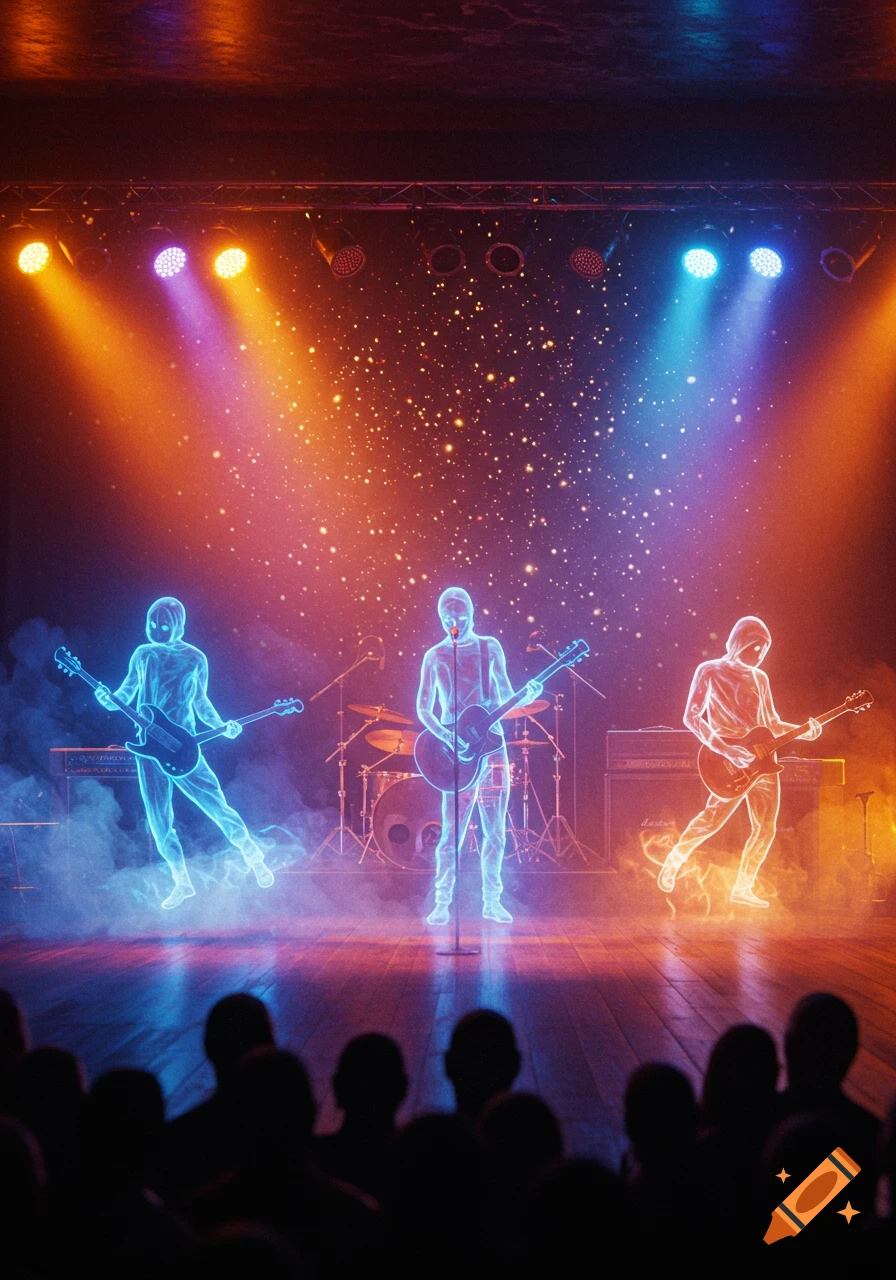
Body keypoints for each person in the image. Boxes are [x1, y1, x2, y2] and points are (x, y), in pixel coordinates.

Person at [94, 597, 274, 909]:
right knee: (160, 821)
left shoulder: (194, 658)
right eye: (152, 624)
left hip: (185, 747)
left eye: (164, 625)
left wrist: (221, 726)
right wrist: (106, 699)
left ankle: (253, 857)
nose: (157, 630)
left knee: (218, 806)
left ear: (179, 625)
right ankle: (182, 882)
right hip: (149, 752)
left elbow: (201, 702)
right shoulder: (143, 654)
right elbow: (125, 694)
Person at [657, 616, 821, 908]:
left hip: (764, 763)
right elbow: (691, 717)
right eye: (755, 647)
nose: (759, 656)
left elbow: (770, 722)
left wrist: (803, 732)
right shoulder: (709, 671)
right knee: (711, 821)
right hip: (727, 759)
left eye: (764, 650)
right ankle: (674, 862)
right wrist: (725, 749)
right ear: (739, 642)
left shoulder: (760, 678)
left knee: (766, 827)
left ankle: (743, 887)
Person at [416, 587, 541, 924]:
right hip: (454, 756)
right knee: (451, 834)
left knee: (495, 832)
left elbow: (504, 696)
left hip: (493, 749)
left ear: (472, 614)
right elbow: (423, 708)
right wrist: (446, 735)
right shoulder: (435, 656)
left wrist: (527, 696)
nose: (453, 624)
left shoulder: (490, 648)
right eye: (446, 619)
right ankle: (442, 903)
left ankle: (492, 902)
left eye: (460, 617)